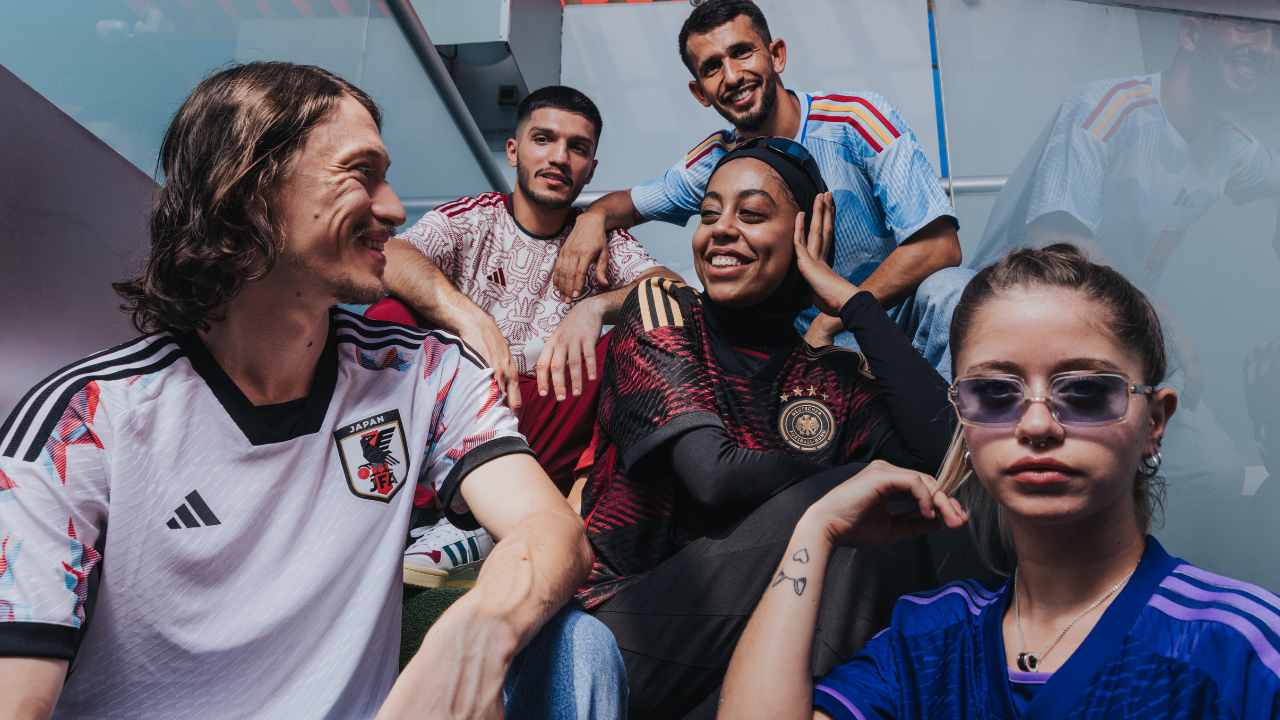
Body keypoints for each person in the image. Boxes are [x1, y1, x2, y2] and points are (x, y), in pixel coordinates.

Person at [0, 62, 625, 720]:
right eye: (361, 173)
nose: (392, 208)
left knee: (578, 649)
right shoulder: (81, 422)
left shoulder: (424, 373)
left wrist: (477, 636)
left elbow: (550, 527)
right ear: (247, 191)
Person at [720, 244, 1280, 720]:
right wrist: (815, 530)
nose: (1036, 425)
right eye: (994, 392)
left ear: (1154, 421)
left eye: (1085, 390)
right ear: (963, 420)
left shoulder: (1241, 646)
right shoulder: (926, 643)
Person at [578, 137, 986, 720]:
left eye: (750, 214)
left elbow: (949, 463)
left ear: (806, 234)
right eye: (708, 214)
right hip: (624, 632)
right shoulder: (663, 313)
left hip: (746, 649)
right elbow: (712, 476)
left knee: (933, 513)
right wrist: (853, 483)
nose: (720, 230)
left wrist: (855, 304)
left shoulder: (830, 376)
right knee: (870, 499)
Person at [553, 0, 971, 377]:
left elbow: (940, 246)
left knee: (952, 289)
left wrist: (835, 317)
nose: (732, 76)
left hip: (896, 320)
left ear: (776, 55)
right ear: (700, 92)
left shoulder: (857, 119)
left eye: (742, 52)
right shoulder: (716, 159)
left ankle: (966, 432)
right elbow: (628, 203)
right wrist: (593, 218)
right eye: (712, 67)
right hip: (809, 354)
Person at [367, 86, 680, 587]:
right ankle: (401, 498)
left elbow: (675, 291)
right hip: (452, 418)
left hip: (545, 426)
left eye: (577, 148)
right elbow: (392, 257)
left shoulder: (601, 239)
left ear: (591, 170)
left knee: (643, 333)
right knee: (388, 315)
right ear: (514, 150)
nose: (559, 157)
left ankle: (508, 517)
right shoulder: (472, 218)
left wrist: (595, 307)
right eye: (543, 139)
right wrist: (471, 320)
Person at [974, 16, 1280, 494]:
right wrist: (1166, 324)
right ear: (1190, 34)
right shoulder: (1109, 107)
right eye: (1245, 26)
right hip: (1025, 322)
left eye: (1274, 35)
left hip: (1119, 336)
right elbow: (1058, 240)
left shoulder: (1230, 145)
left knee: (1217, 473)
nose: (1265, 46)